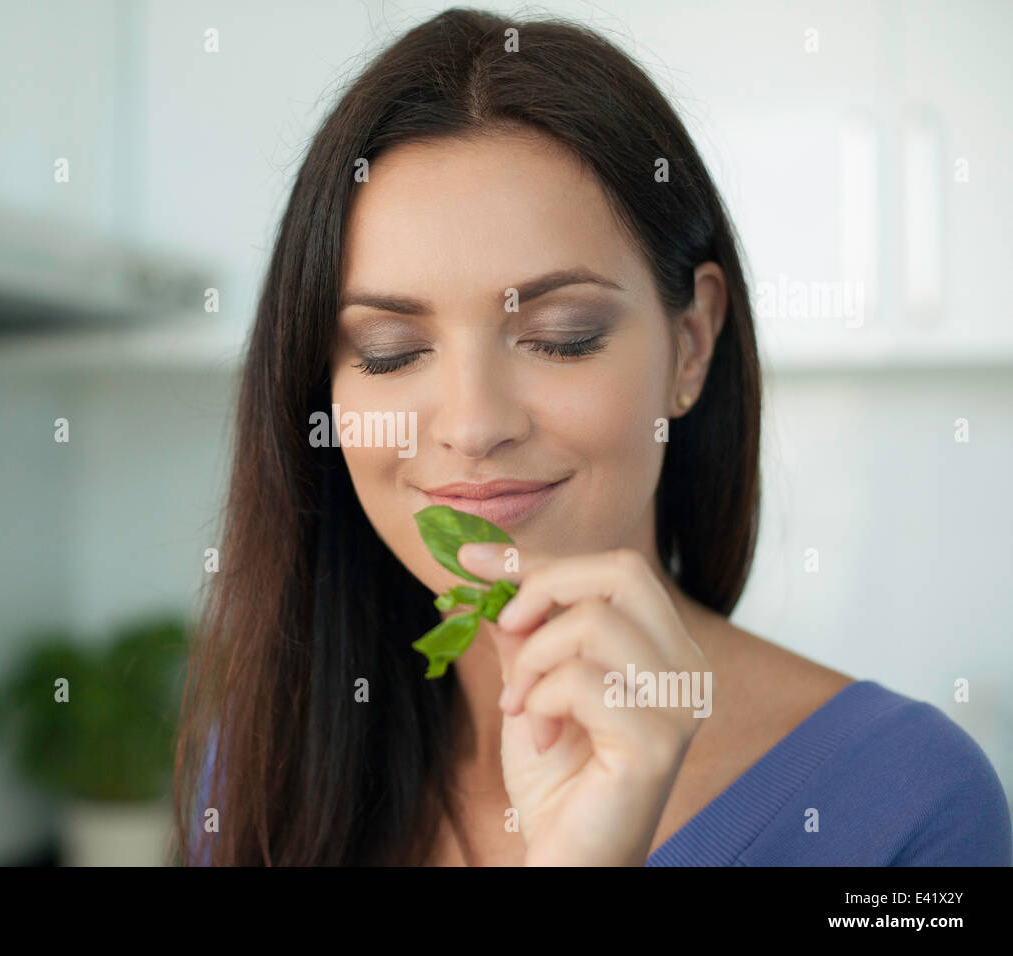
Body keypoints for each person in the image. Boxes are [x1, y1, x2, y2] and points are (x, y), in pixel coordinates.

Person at [172, 7, 1012, 866]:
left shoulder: (913, 808)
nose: (473, 425)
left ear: (690, 347)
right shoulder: (261, 770)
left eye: (562, 336)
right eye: (391, 352)